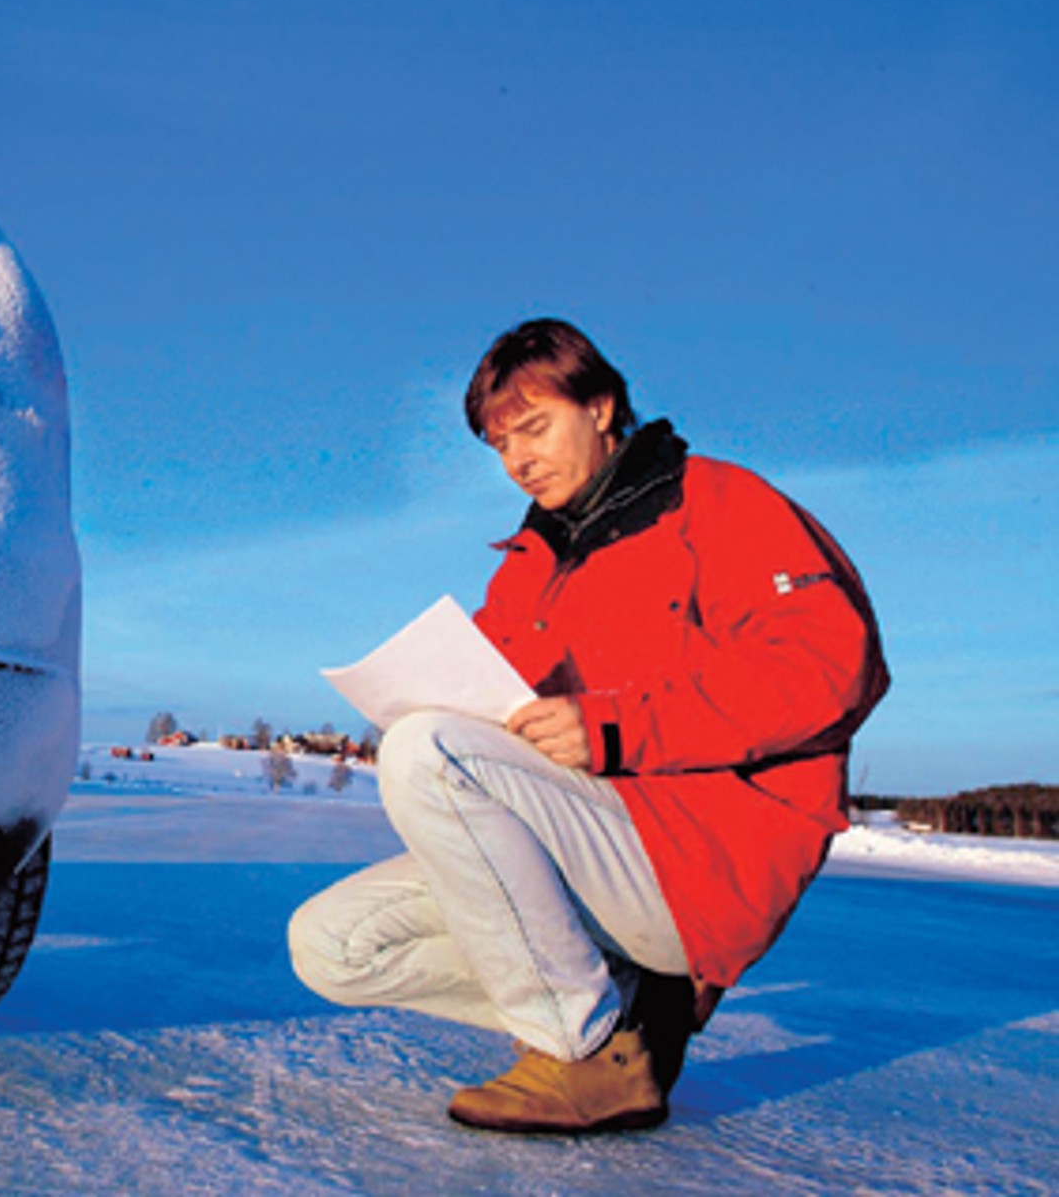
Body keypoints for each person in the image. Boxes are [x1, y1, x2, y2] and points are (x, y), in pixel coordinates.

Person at [288, 318, 888, 1134]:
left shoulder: (719, 504)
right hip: (590, 844)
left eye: (534, 428)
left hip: (702, 860)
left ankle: (574, 1049)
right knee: (332, 945)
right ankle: (629, 1023)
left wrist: (613, 728)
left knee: (427, 750)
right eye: (500, 445)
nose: (518, 460)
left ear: (601, 407)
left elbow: (830, 670)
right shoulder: (531, 565)